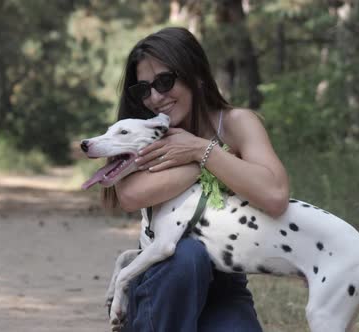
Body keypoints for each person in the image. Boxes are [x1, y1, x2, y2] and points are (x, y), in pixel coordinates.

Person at [102, 27, 290, 332]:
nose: (155, 97)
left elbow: (275, 195)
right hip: (163, 281)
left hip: (223, 284)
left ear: (197, 76)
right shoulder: (143, 133)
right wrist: (222, 162)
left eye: (165, 81)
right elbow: (132, 195)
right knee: (187, 254)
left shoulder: (237, 123)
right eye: (143, 89)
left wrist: (202, 149)